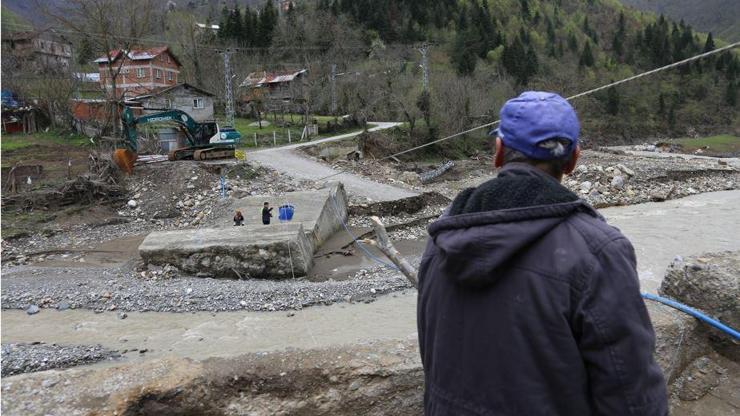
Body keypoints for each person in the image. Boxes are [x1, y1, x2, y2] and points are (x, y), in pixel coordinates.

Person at [417, 91, 667, 415]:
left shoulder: (442, 235)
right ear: (574, 159)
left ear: (498, 152)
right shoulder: (598, 252)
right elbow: (632, 400)